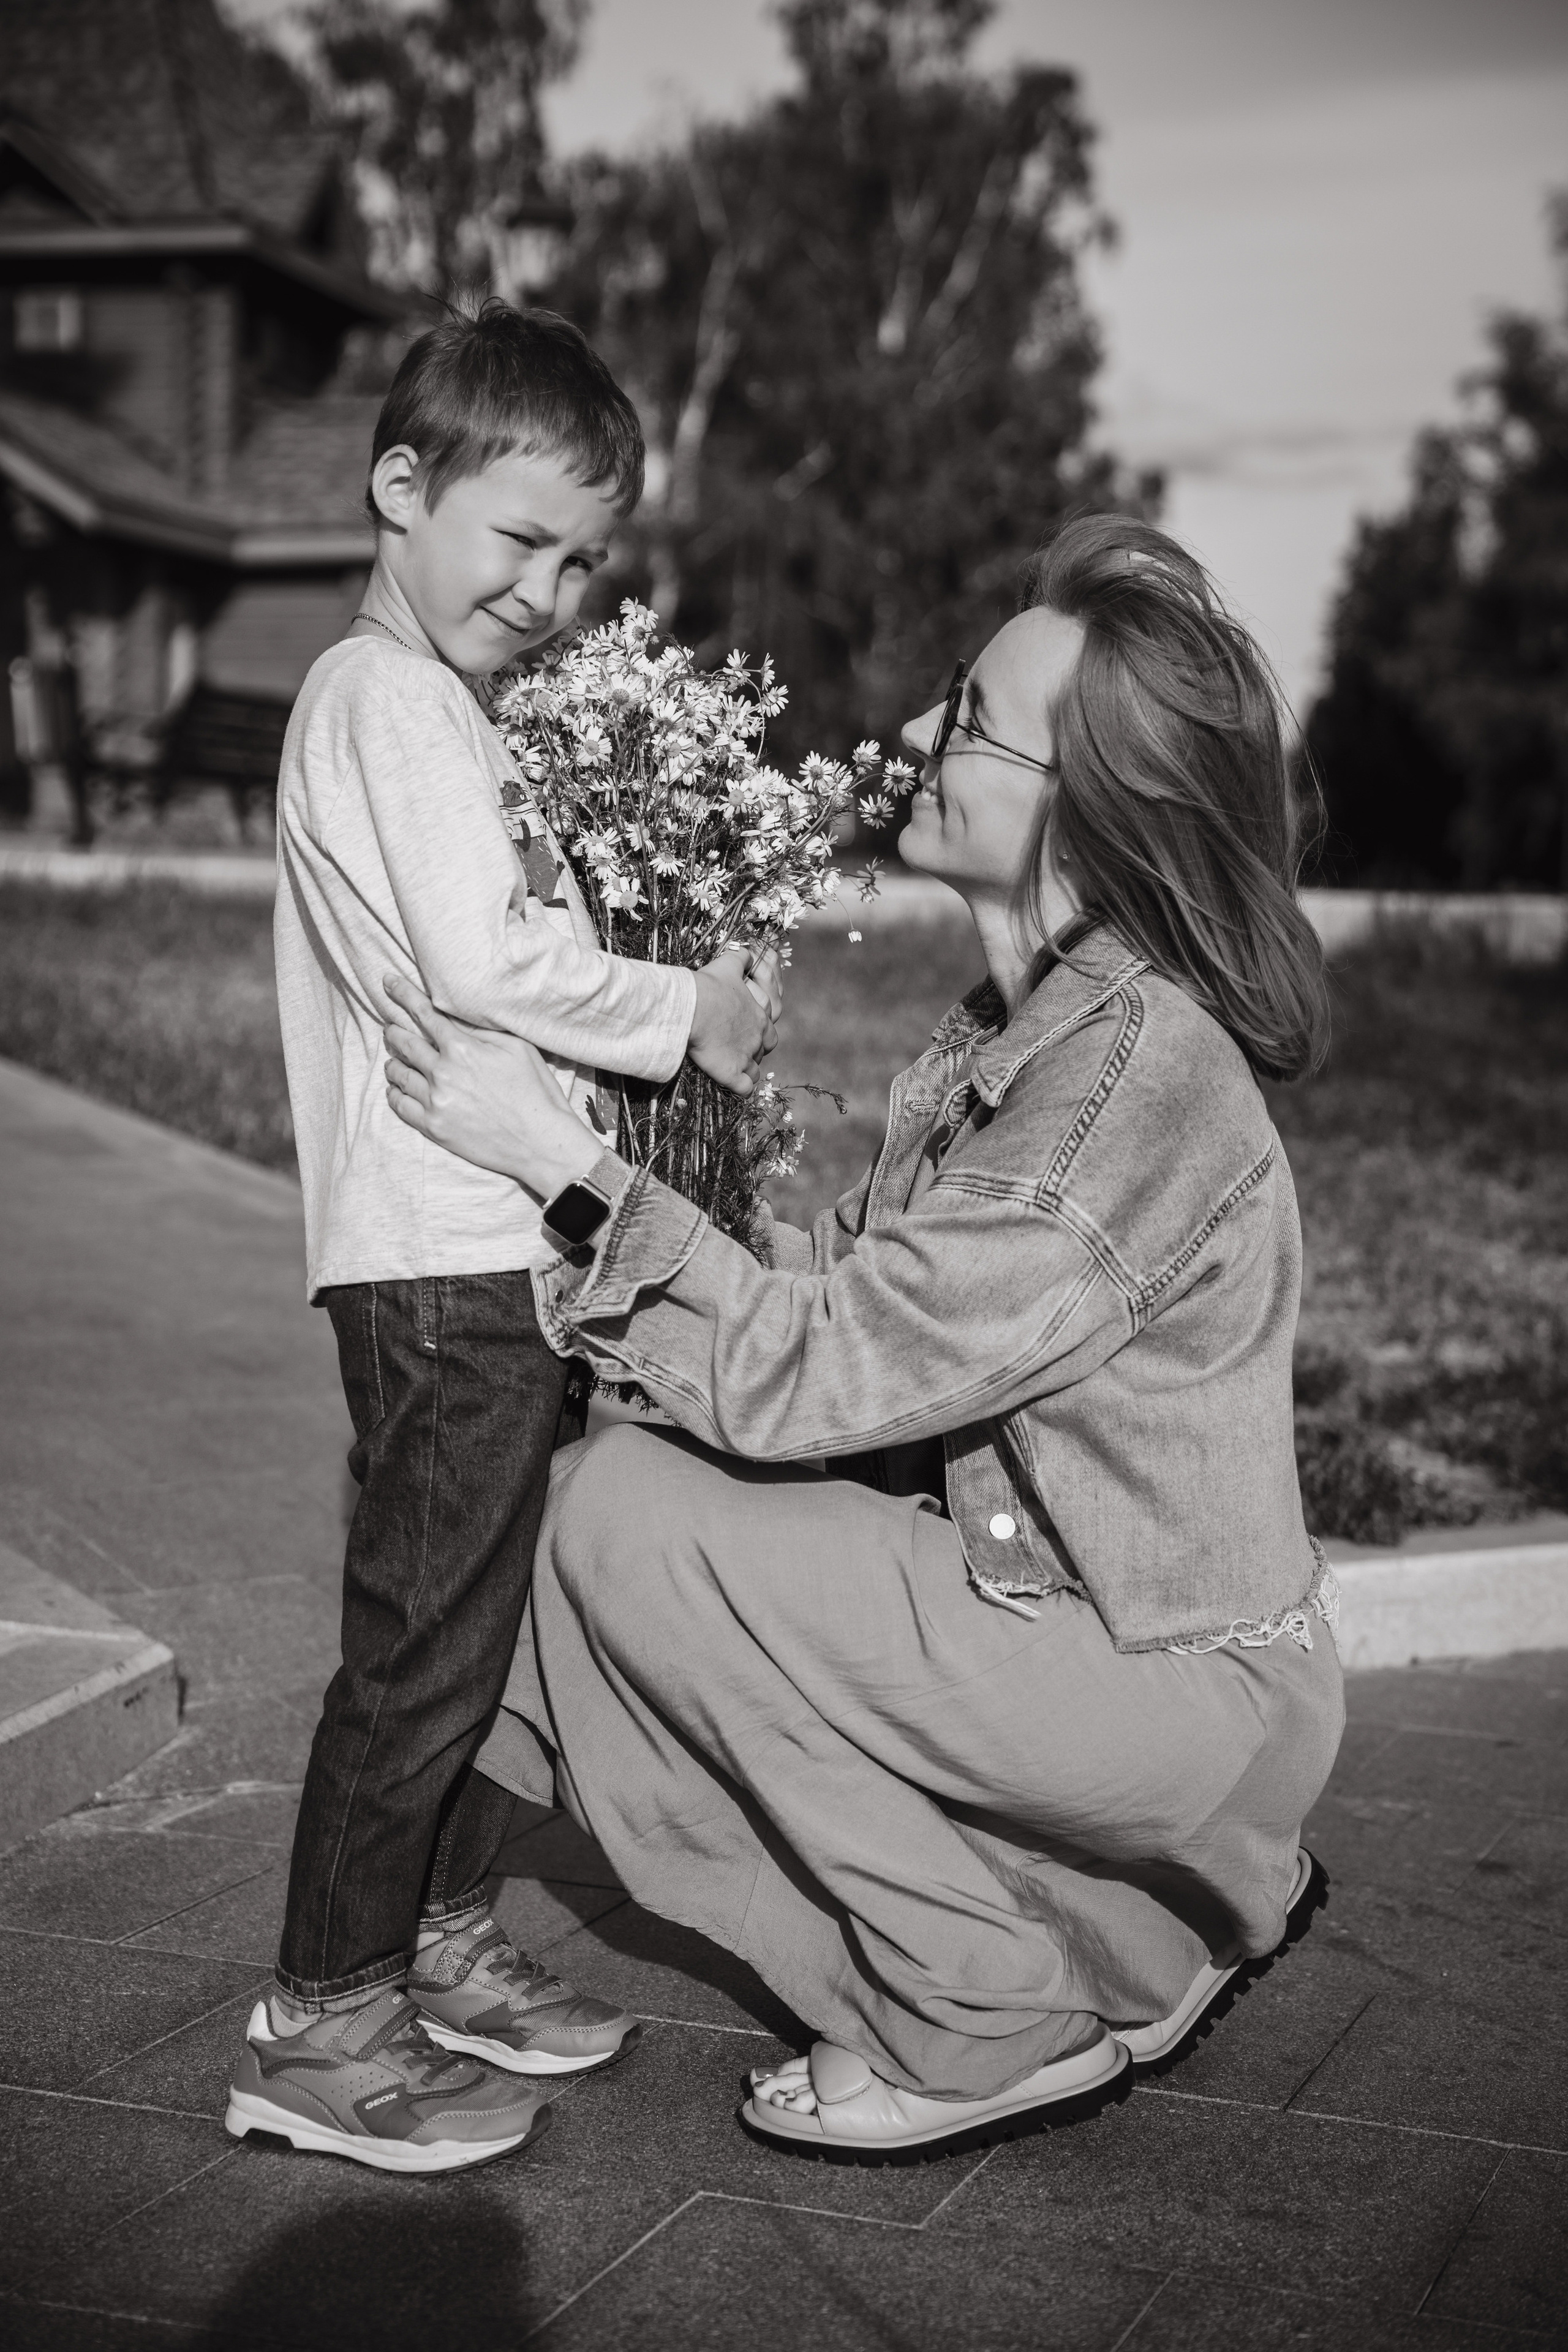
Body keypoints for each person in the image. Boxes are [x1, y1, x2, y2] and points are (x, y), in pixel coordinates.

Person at [376, 513, 1346, 2162]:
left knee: (625, 1522)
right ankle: (1129, 1930)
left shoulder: (1126, 1084)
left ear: (1093, 809)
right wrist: (652, 1128)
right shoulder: (1018, 1039)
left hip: (1168, 1679)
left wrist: (564, 1173)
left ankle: (985, 2011)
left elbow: (825, 1367)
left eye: (965, 720)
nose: (909, 736)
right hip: (1102, 1637)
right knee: (650, 1485)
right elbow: (859, 1295)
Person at [224, 302, 783, 2177]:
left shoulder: (436, 709)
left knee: (479, 1627)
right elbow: (481, 965)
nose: (551, 590)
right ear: (401, 491)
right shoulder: (383, 700)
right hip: (442, 1253)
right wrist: (683, 1006)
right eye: (518, 540)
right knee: (422, 1644)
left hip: (487, 1239)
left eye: (586, 560)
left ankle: (435, 1940)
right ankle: (321, 2016)